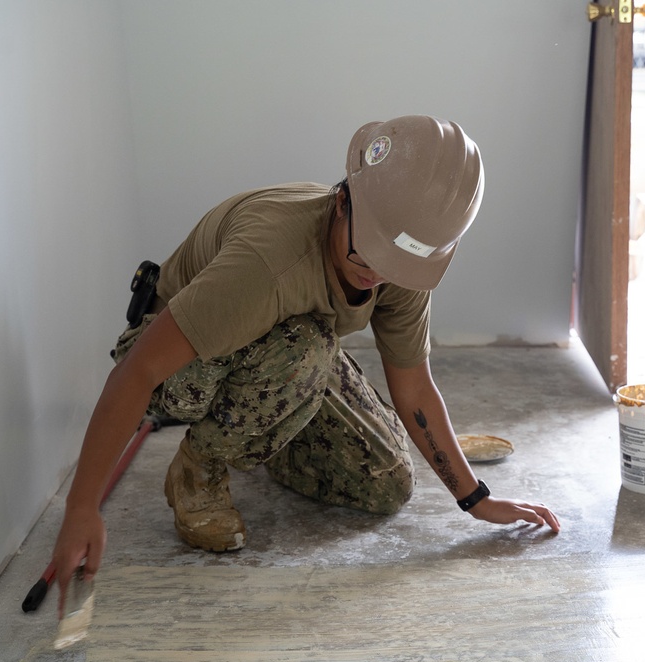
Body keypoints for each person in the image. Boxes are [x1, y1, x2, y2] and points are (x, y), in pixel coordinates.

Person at [52, 115, 561, 614]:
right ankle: (198, 466)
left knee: (385, 481)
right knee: (307, 349)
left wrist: (476, 499)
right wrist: (81, 508)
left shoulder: (401, 260)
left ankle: (266, 428)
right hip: (182, 367)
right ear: (342, 202)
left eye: (394, 268)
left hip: (288, 353)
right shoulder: (269, 262)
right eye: (366, 259)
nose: (376, 278)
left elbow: (414, 388)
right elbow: (137, 371)